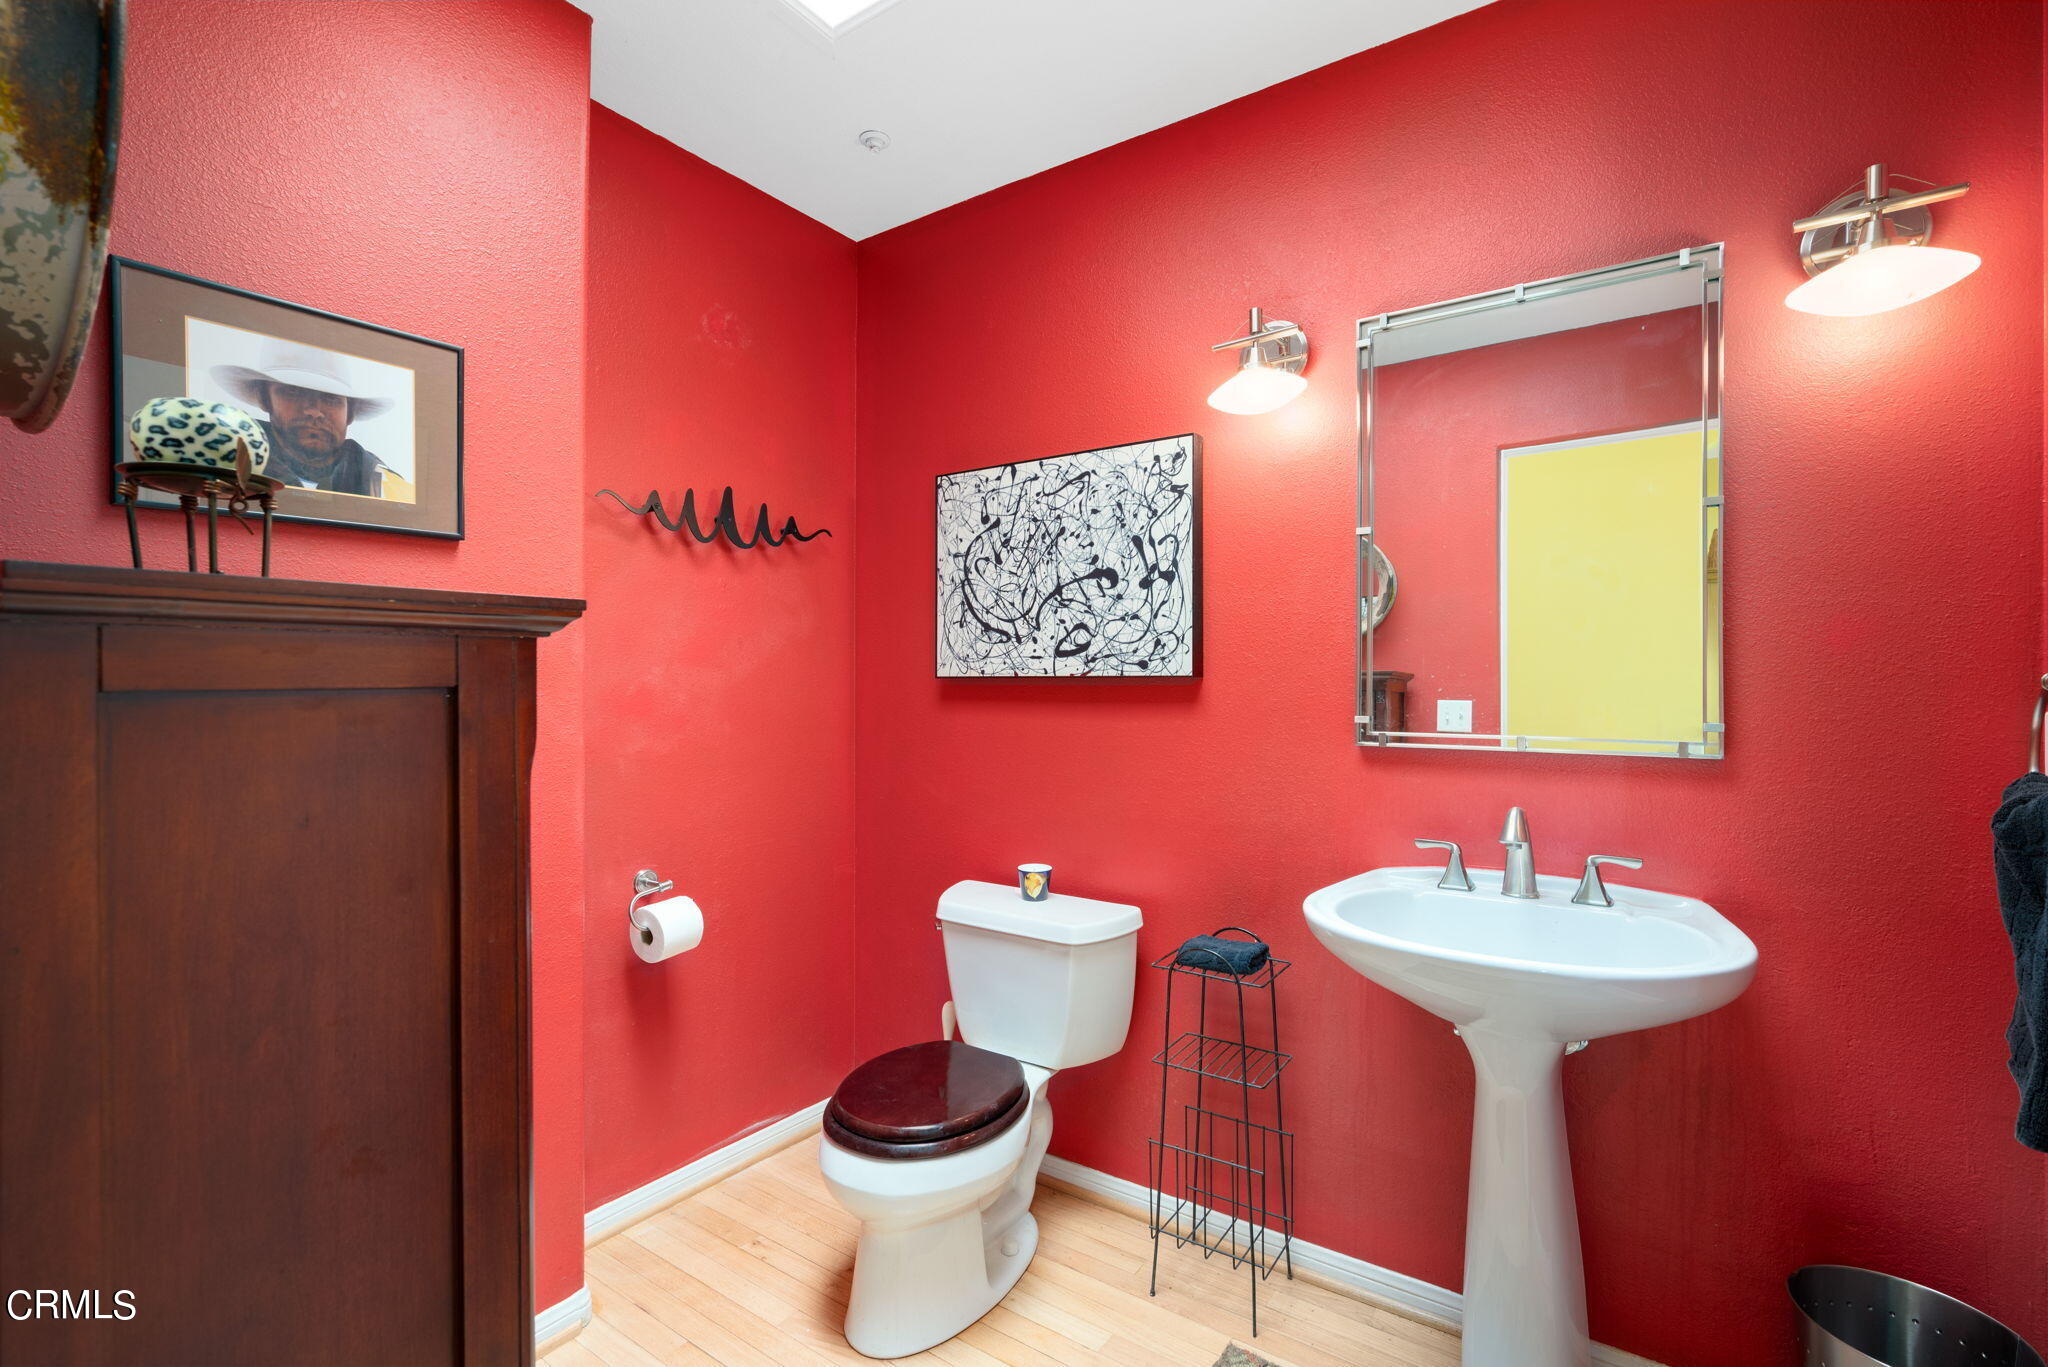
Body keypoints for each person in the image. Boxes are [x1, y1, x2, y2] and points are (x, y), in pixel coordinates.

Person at [211, 341, 399, 496]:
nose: (314, 411)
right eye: (294, 392)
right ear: (265, 399)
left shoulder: (388, 487)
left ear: (350, 413)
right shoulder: (223, 469)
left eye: (331, 399)